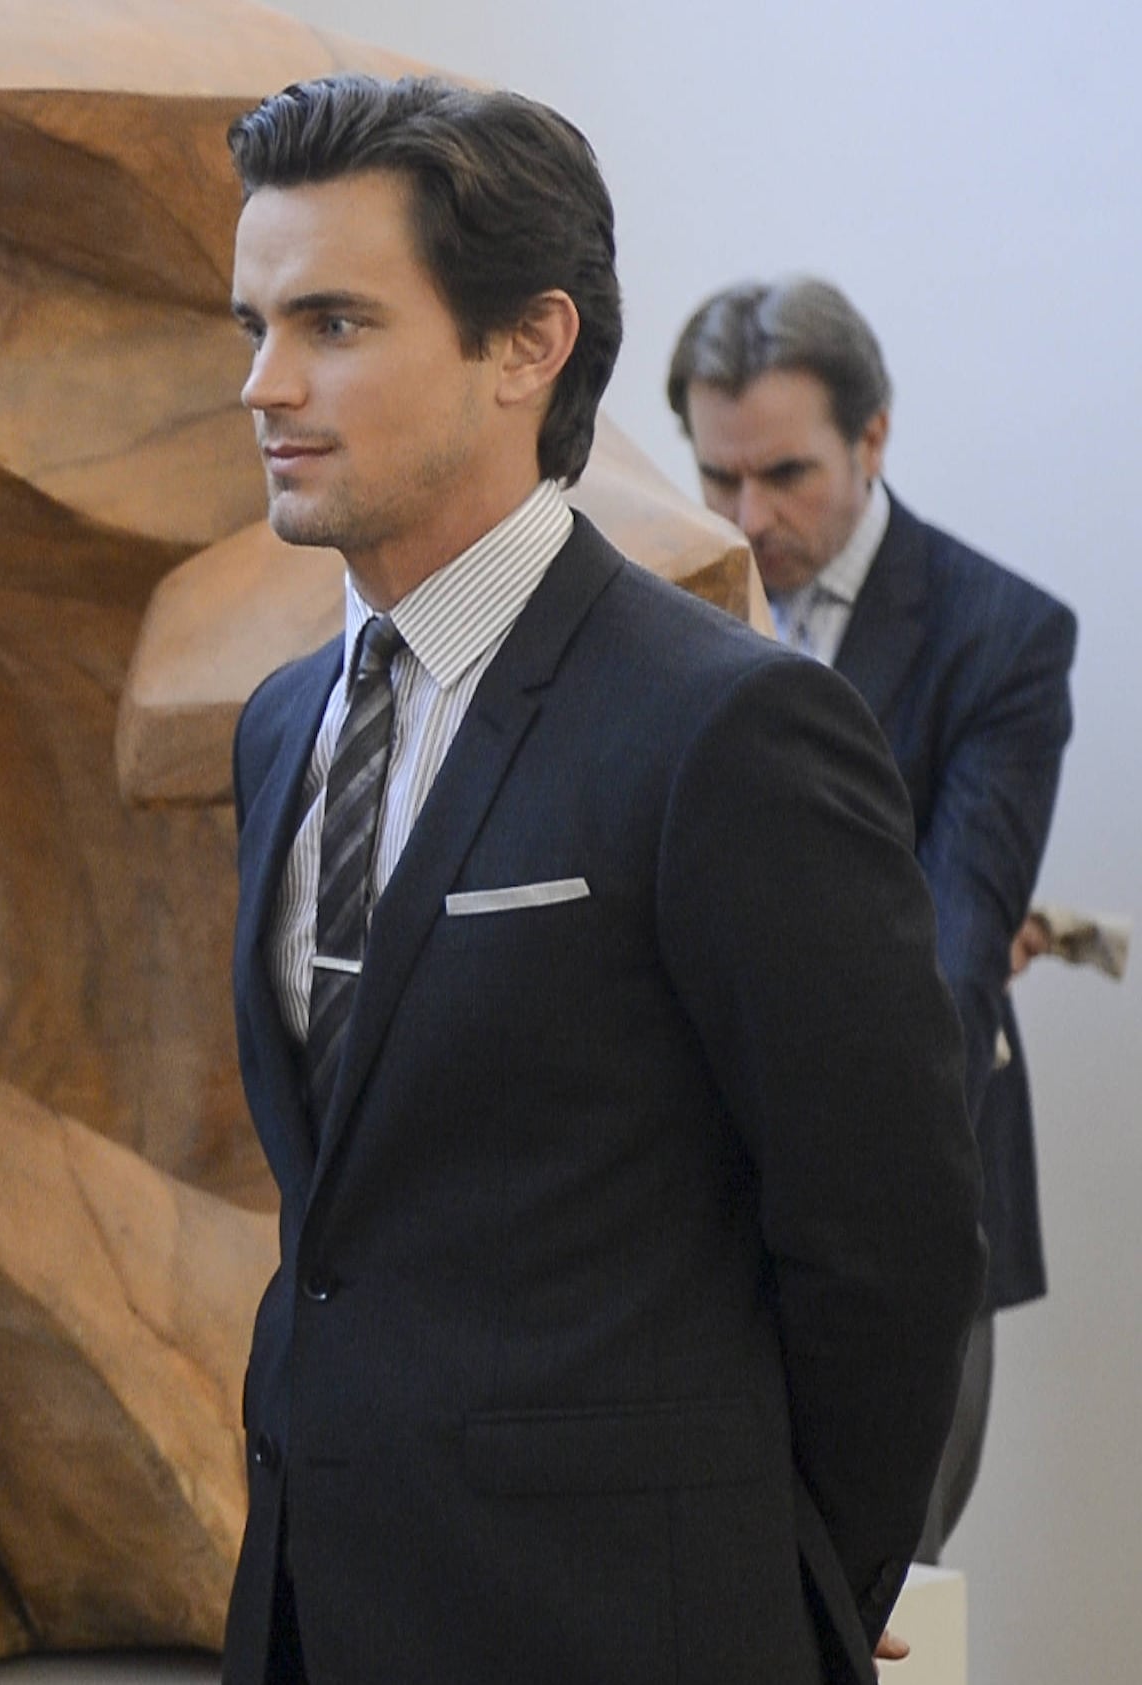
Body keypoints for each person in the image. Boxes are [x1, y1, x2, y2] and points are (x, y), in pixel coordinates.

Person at [217, 77, 983, 1684]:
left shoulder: (730, 728)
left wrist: (797, 1596)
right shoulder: (283, 723)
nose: (263, 382)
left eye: (333, 323)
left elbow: (888, 1243)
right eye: (254, 323)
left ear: (527, 345)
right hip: (309, 1606)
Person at [668, 276, 1076, 1562]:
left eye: (786, 473)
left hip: (900, 1205)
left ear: (874, 437)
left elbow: (953, 954)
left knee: (881, 1594)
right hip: (679, 1201)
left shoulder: (1000, 634)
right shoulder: (660, 601)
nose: (749, 517)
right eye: (718, 474)